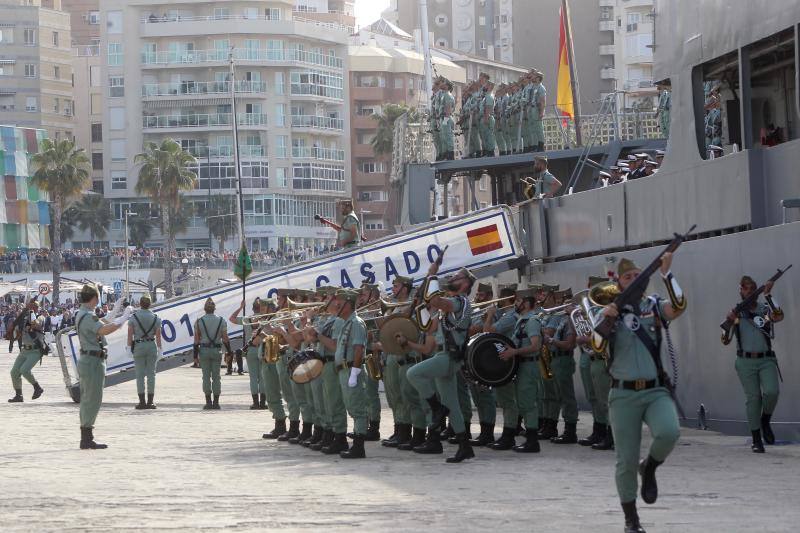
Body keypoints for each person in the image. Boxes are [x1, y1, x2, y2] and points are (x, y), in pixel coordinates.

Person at [597, 256, 685, 532]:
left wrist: (667, 274)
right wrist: (608, 317)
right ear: (618, 284)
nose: (634, 279)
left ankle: (649, 467)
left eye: (637, 275)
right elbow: (597, 346)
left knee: (669, 432)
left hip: (655, 389)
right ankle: (631, 520)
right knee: (625, 460)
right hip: (623, 395)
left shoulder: (654, 307)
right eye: (627, 277)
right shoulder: (608, 311)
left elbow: (679, 306)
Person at [407, 265, 475, 464]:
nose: (452, 278)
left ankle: (436, 408)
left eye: (456, 276)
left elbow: (436, 300)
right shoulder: (453, 305)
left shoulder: (459, 302)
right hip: (448, 358)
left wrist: (434, 276)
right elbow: (427, 324)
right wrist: (423, 298)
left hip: (447, 357)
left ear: (464, 283)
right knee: (452, 405)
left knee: (413, 374)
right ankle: (465, 446)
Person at [721, 275, 783, 453]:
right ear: (740, 291)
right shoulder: (737, 312)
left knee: (772, 392)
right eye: (745, 289)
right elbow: (725, 340)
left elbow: (778, 316)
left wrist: (769, 295)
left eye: (752, 289)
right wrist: (730, 321)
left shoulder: (764, 309)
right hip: (745, 361)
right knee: (753, 399)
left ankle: (765, 419)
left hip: (766, 359)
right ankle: (757, 439)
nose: (749, 292)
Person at [75, 284, 131, 449]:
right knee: (93, 399)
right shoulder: (87, 316)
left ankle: (86, 436)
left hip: (88, 360)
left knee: (88, 399)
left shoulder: (83, 314)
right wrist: (124, 318)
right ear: (94, 298)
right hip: (93, 362)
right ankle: (86, 438)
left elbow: (100, 322)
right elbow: (104, 330)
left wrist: (115, 311)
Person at [577, 276, 614, 451]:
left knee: (607, 401)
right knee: (597, 400)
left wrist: (588, 338)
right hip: (593, 359)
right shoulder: (595, 312)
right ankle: (599, 431)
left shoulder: (608, 312)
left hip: (604, 360)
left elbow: (602, 337)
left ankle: (611, 435)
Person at [377, 275, 414, 448]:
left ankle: (406, 432)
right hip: (389, 355)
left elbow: (404, 321)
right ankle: (398, 429)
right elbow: (382, 328)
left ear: (405, 288)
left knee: (403, 396)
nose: (393, 289)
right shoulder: (391, 307)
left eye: (396, 286)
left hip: (402, 354)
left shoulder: (409, 304)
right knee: (393, 397)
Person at [546, 289, 579, 444]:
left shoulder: (571, 320)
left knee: (567, 397)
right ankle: (561, 429)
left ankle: (570, 431)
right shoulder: (561, 319)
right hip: (556, 360)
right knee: (558, 396)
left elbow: (569, 344)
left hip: (564, 360)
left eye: (564, 303)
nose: (560, 305)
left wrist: (551, 341)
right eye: (560, 302)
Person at [192, 297, 232, 410]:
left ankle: (208, 402)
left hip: (204, 350)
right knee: (216, 377)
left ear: (205, 309)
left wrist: (195, 356)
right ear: (215, 309)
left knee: (206, 377)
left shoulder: (199, 321)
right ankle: (216, 402)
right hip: (217, 350)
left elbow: (196, 340)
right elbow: (225, 339)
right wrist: (229, 352)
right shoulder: (221, 320)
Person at [229, 298, 266, 410]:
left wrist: (241, 307)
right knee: (263, 377)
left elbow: (232, 318)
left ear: (252, 308)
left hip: (250, 350)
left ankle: (255, 403)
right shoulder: (266, 318)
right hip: (263, 349)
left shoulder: (246, 319)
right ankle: (263, 402)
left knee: (253, 378)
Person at [127, 295, 162, 410]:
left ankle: (142, 402)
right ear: (150, 304)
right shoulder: (156, 318)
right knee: (151, 374)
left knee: (140, 374)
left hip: (138, 345)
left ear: (140, 304)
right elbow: (158, 336)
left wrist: (128, 348)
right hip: (151, 345)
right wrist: (160, 349)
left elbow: (130, 334)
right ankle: (150, 402)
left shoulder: (134, 317)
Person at [7, 300, 46, 403]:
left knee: (24, 370)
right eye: (30, 307)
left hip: (35, 350)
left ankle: (37, 387)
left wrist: (31, 314)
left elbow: (36, 325)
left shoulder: (40, 317)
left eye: (33, 307)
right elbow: (16, 333)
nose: (31, 309)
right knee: (14, 372)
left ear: (37, 308)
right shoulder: (24, 319)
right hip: (24, 350)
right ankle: (18, 395)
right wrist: (13, 327)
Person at [529, 70, 547, 152]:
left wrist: (542, 112)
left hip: (537, 109)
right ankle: (535, 146)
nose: (532, 78)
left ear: (538, 78)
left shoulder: (541, 88)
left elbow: (543, 101)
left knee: (539, 129)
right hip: (532, 110)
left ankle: (541, 146)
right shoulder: (533, 87)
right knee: (533, 129)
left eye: (535, 77)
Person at [479, 79, 497, 158]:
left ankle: (490, 152)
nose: (484, 86)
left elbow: (488, 108)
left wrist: (486, 118)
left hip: (488, 117)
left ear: (490, 86)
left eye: (486, 85)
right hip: (485, 117)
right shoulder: (485, 96)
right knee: (485, 136)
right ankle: (487, 152)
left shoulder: (489, 96)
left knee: (489, 136)